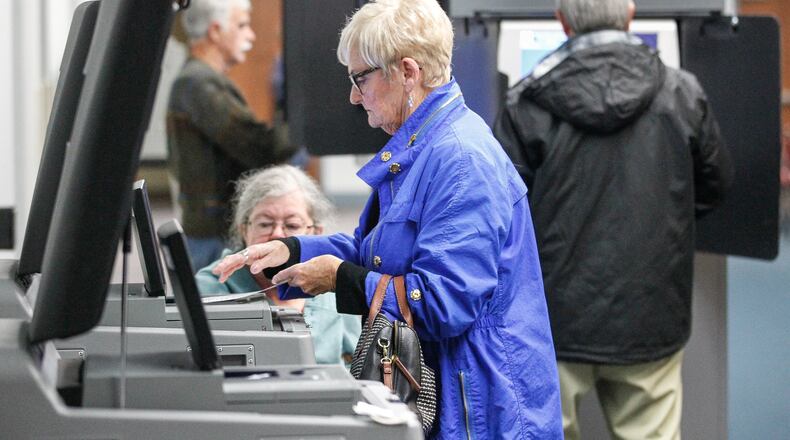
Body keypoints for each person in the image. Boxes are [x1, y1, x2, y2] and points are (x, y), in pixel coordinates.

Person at [213, 1, 563, 438]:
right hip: (460, 393)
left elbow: (443, 303)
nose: (354, 96)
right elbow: (374, 251)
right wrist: (292, 250)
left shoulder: (459, 161)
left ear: (408, 72)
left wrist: (342, 279)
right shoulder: (422, 149)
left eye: (361, 78)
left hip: (482, 407)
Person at [493, 1, 733, 439]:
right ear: (630, 15)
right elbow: (715, 186)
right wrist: (668, 215)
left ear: (562, 21)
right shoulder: (682, 92)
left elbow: (501, 213)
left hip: (554, 319)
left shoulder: (526, 103)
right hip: (651, 312)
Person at [167, 0, 298, 271]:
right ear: (215, 31)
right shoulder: (198, 83)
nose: (250, 35)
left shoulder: (202, 80)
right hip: (214, 237)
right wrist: (302, 118)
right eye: (242, 25)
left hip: (214, 231)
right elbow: (260, 147)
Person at [195, 165, 361, 366]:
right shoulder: (211, 286)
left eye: (291, 225)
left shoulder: (333, 283)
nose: (277, 235)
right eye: (265, 224)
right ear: (244, 230)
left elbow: (358, 367)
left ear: (316, 233)